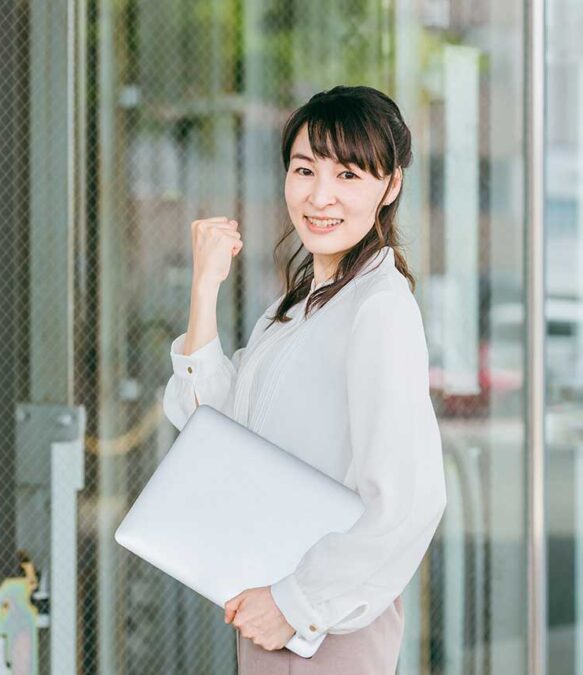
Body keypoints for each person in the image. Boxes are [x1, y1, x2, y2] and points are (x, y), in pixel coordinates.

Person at [161, 85, 447, 674]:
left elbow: (408, 501)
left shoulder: (379, 309)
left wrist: (295, 605)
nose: (320, 196)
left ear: (390, 186)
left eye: (348, 175)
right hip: (272, 606)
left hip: (322, 625)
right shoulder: (296, 310)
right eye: (304, 169)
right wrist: (205, 289)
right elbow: (214, 430)